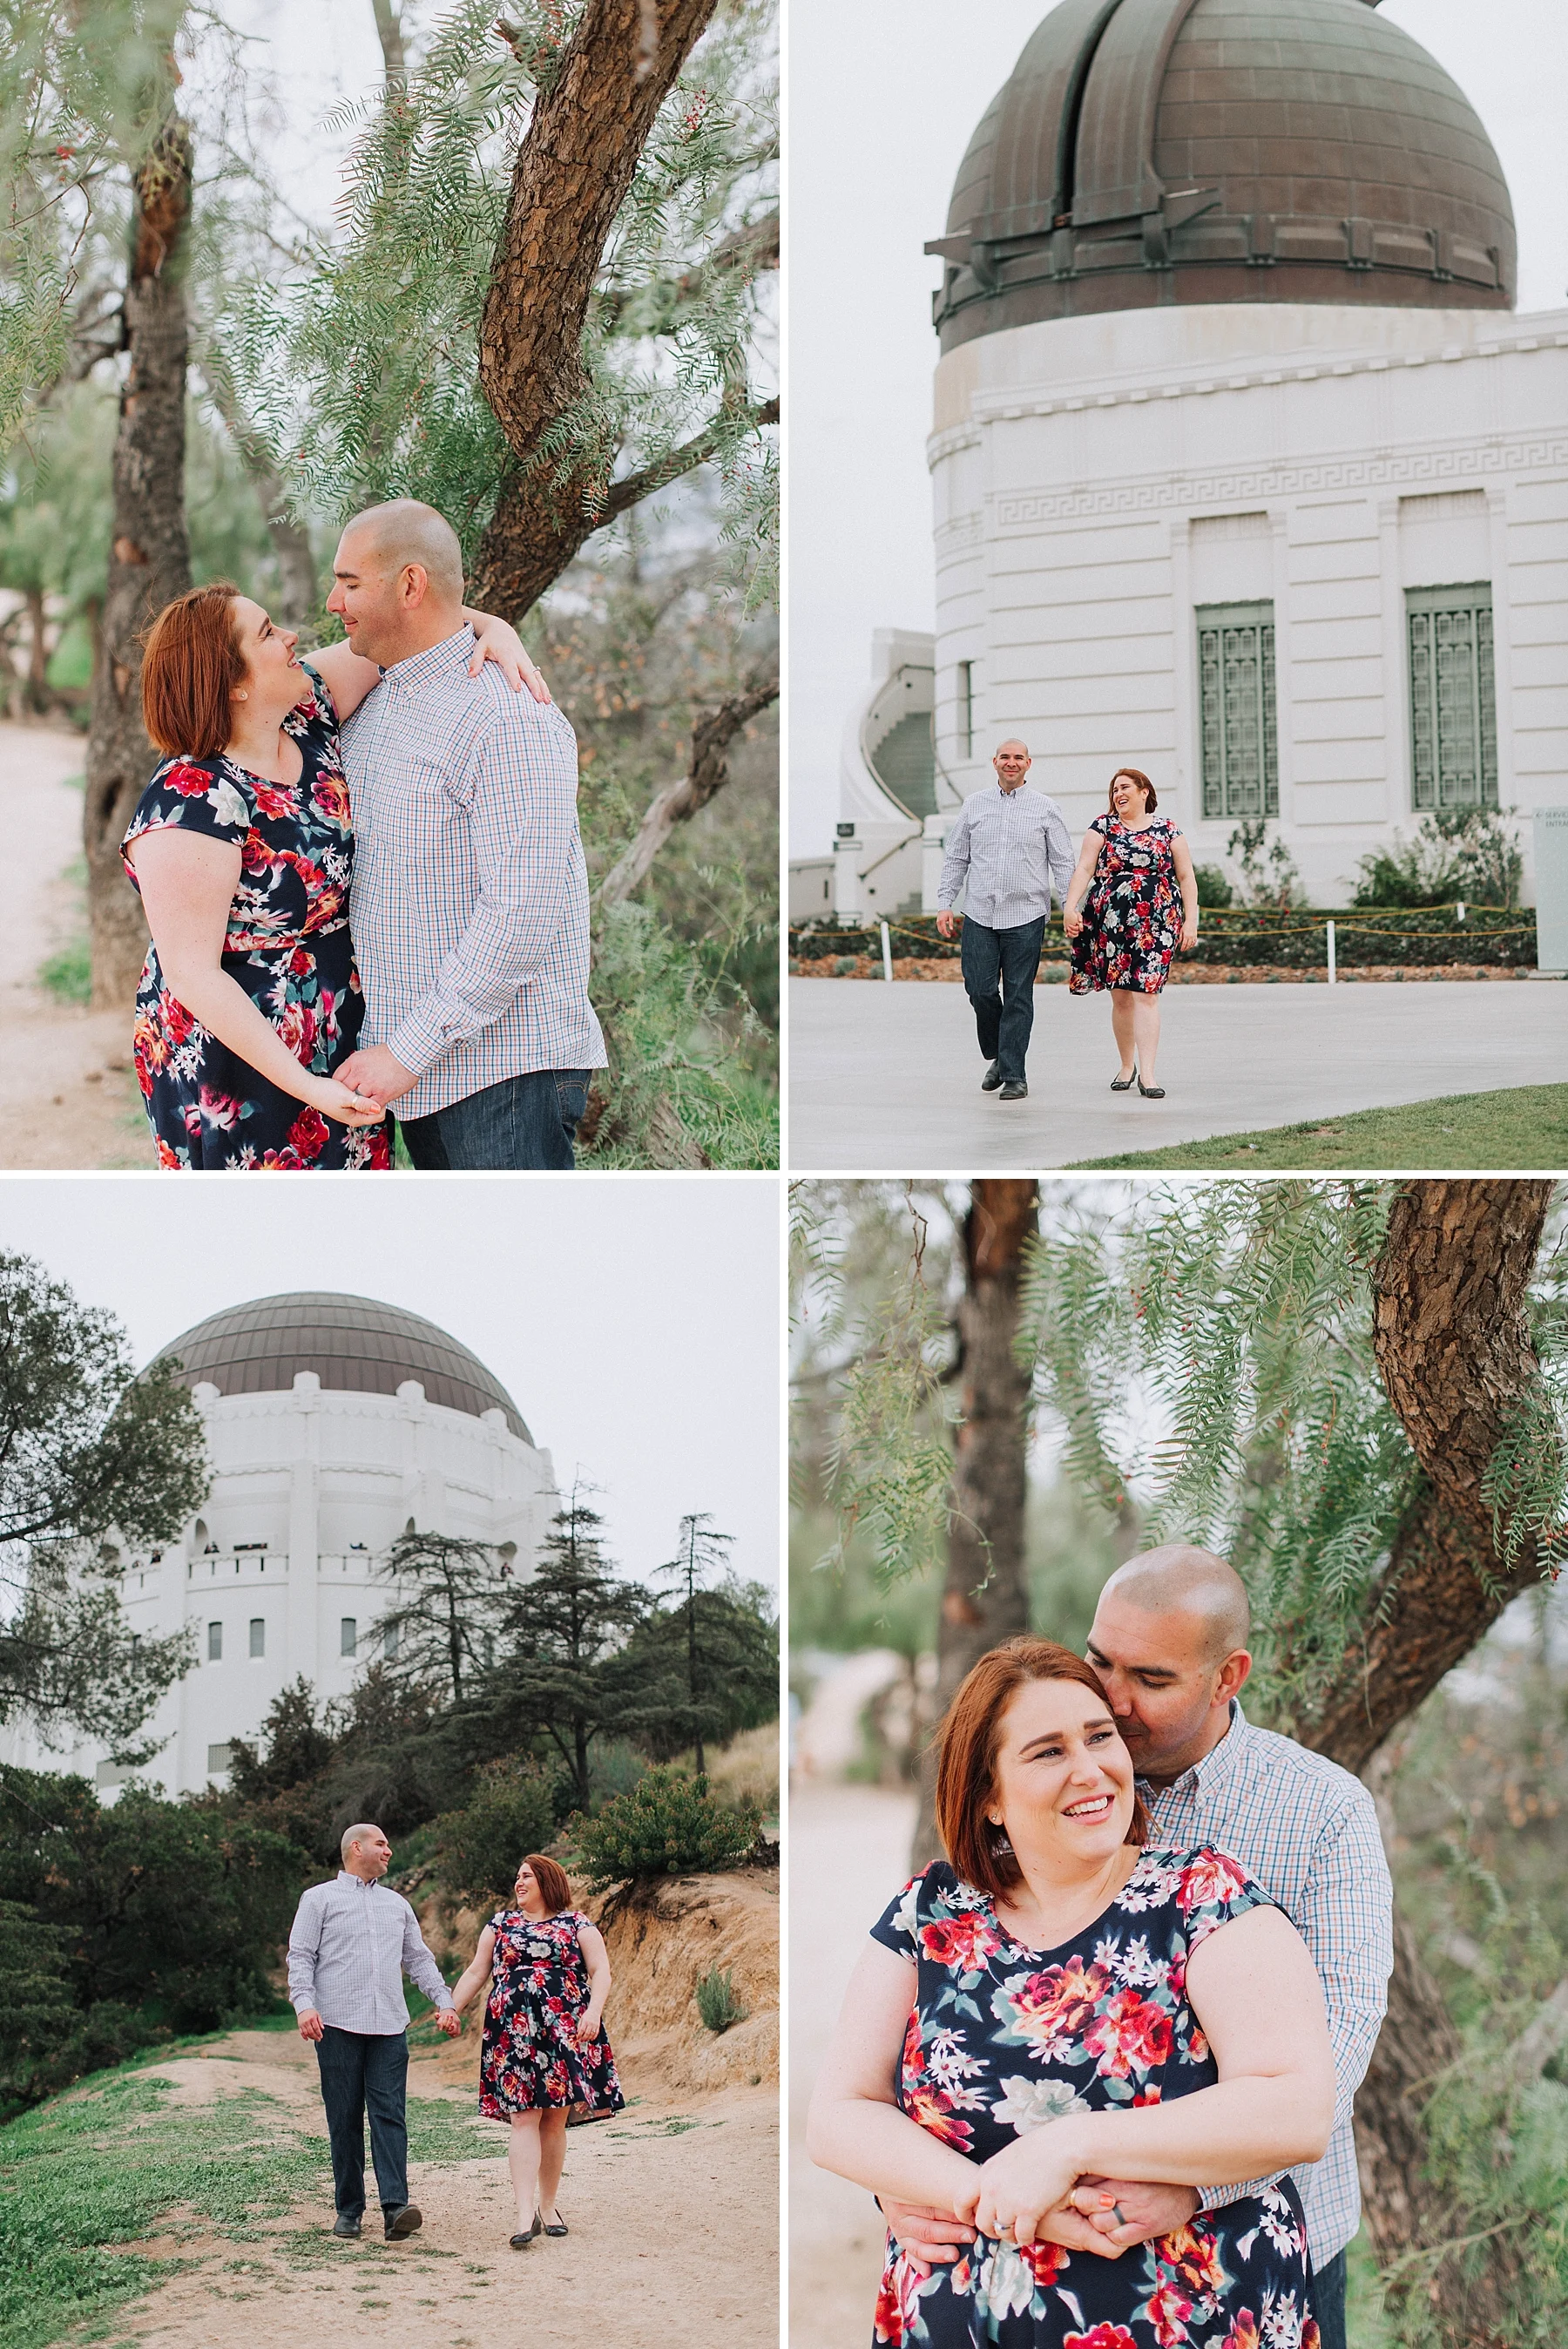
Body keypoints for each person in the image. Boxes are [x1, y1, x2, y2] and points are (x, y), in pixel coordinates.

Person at [880, 1547, 1393, 2349]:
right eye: (1101, 1661)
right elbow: (947, 2015)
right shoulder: (1051, 1775)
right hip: (1015, 2261)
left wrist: (1193, 2188)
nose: (1113, 1703)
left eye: (1150, 1679)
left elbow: (1335, 2048)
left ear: (1227, 1678)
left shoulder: (1321, 1812)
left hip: (1242, 2252)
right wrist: (916, 2180)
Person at [122, 577, 540, 1169]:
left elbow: (411, 623)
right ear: (232, 682)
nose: (292, 635)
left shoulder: (306, 713)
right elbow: (194, 975)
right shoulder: (189, 799)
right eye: (267, 633)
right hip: (234, 1063)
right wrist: (308, 1087)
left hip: (336, 1032)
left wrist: (493, 626)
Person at [329, 500, 607, 1168]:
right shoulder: (374, 702)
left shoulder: (505, 717)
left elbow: (522, 914)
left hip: (503, 1075)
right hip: (422, 1077)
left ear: (410, 585)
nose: (334, 602)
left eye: (350, 583)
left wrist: (406, 1052)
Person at [287, 1820, 462, 2243]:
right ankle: (349, 2210)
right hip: (336, 2025)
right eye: (381, 1844)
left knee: (389, 2115)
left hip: (389, 2026)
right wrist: (304, 2004)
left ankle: (395, 2208)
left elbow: (418, 1959)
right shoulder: (318, 1899)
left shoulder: (397, 1904)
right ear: (356, 1848)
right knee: (344, 2117)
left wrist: (445, 2001)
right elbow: (301, 1956)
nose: (389, 1851)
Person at [449, 1851, 624, 2249]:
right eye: (517, 1876)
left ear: (547, 1881)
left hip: (564, 2029)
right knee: (523, 2118)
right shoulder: (500, 1924)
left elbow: (601, 1971)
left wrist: (593, 2012)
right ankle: (524, 2214)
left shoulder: (577, 1924)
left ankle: (548, 2206)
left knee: (554, 2121)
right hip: (513, 2032)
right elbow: (476, 1971)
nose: (519, 1882)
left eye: (527, 1876)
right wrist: (451, 2008)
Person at [935, 739, 1073, 1103]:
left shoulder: (1046, 808)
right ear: (995, 762)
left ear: (1029, 763)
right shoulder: (974, 804)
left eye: (1018, 758)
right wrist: (945, 902)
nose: (1011, 763)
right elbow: (956, 857)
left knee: (1018, 995)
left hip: (1026, 914)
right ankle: (999, 1052)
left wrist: (1071, 906)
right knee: (979, 989)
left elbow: (1063, 862)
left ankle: (1014, 1074)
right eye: (1005, 757)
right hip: (980, 913)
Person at [1064, 767, 1199, 1099]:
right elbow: (1085, 867)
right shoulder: (1103, 826)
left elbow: (1186, 877)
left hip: (1157, 924)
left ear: (1144, 791)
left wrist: (1191, 921)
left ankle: (1148, 1075)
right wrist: (1070, 905)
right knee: (1122, 997)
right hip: (1111, 923)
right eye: (1114, 790)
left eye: (1125, 787)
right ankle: (1127, 1065)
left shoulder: (1168, 830)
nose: (1118, 794)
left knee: (1146, 994)